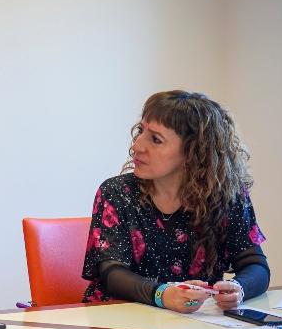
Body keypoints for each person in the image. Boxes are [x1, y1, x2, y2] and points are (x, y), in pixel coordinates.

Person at [82, 90, 269, 313]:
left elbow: (255, 264)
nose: (137, 146)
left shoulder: (227, 196)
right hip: (119, 316)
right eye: (141, 131)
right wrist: (162, 294)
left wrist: (240, 288)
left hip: (195, 321)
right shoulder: (117, 192)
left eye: (156, 139)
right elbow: (111, 273)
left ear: (194, 152)